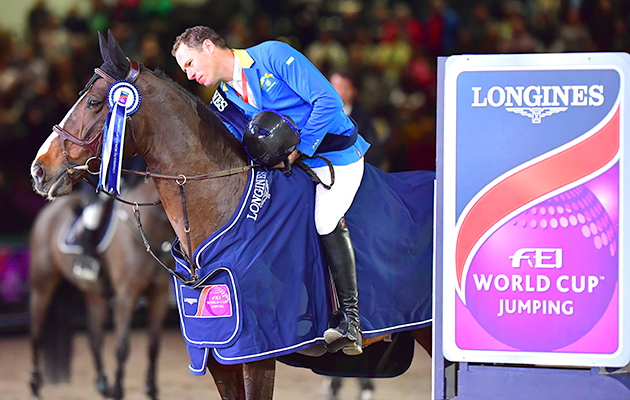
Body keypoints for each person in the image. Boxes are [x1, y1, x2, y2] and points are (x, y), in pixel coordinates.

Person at [172, 26, 370, 355]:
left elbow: (328, 101)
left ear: (208, 46)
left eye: (190, 64)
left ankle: (350, 321)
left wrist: (298, 149)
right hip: (292, 169)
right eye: (185, 70)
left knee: (324, 221)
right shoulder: (223, 101)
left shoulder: (272, 55)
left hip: (337, 155)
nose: (189, 75)